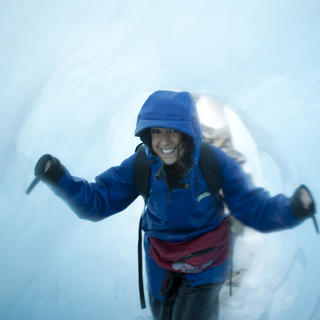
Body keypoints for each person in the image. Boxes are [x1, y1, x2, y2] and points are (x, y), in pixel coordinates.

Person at [33, 90, 316, 320]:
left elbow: (252, 207)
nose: (164, 141)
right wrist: (59, 178)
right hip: (160, 259)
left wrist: (293, 209)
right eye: (156, 131)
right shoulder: (141, 165)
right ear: (147, 135)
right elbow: (98, 203)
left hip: (207, 261)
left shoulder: (212, 162)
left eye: (173, 131)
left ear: (188, 133)